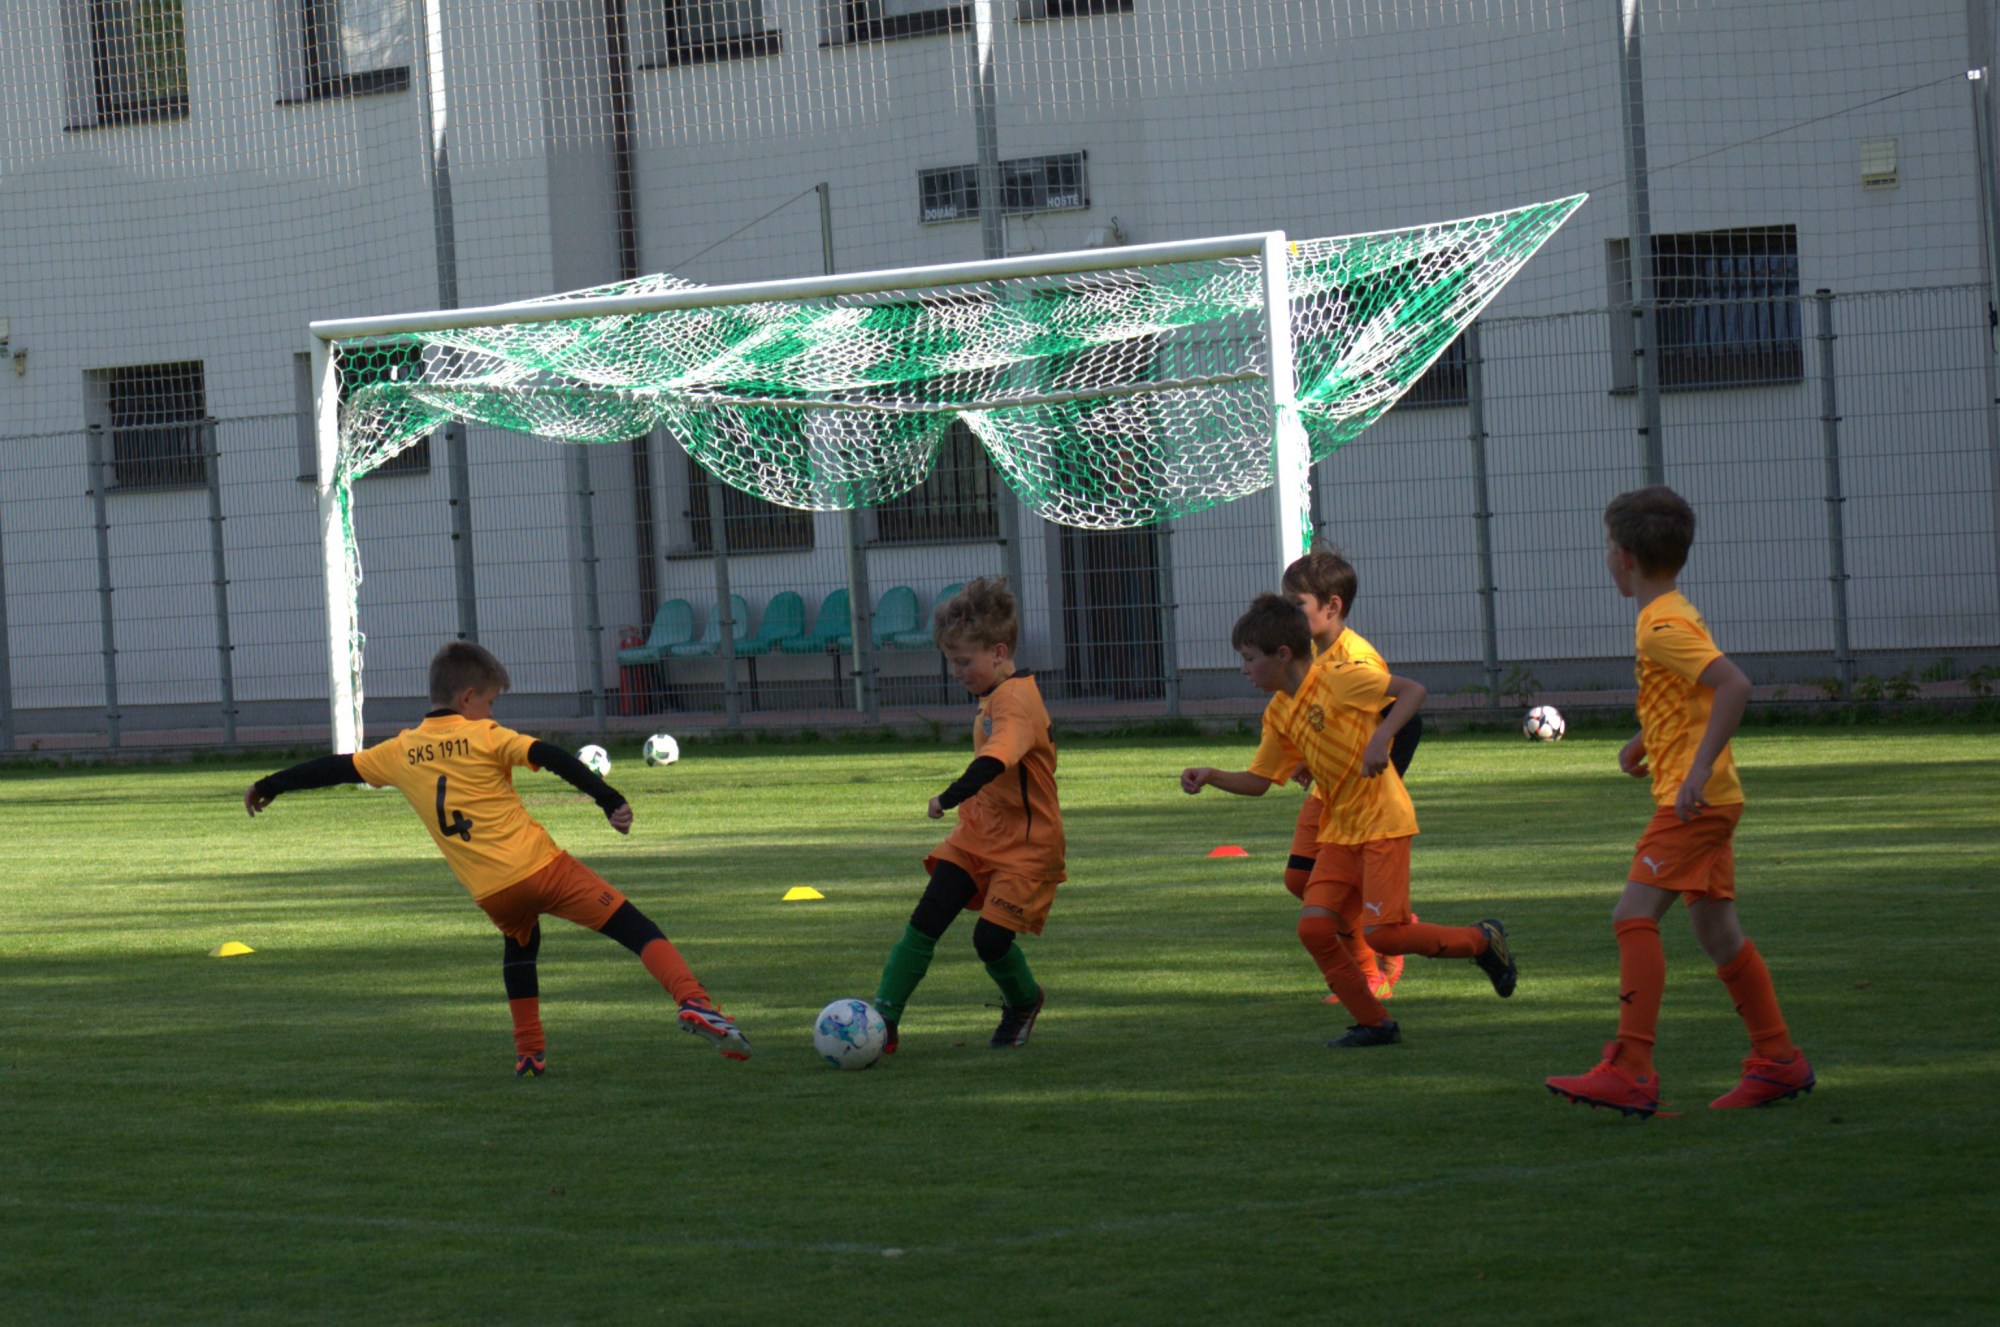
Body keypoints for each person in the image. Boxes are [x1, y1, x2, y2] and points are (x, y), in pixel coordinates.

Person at [243, 640, 750, 1076]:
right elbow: (549, 755)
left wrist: (271, 784)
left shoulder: (400, 750)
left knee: (520, 943)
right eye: (489, 702)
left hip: (491, 893)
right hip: (542, 869)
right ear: (467, 699)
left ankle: (529, 1053)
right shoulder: (484, 734)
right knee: (634, 927)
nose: (492, 712)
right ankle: (695, 1002)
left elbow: (335, 768)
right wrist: (608, 799)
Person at [1546, 487, 1813, 1117]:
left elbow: (1732, 685)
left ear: (1625, 557)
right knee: (1717, 932)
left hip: (1694, 803)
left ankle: (1631, 1068)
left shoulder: (1661, 625)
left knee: (1631, 915)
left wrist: (1695, 768)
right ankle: (1777, 1058)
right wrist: (1646, 740)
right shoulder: (1672, 612)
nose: (1607, 558)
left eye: (1608, 546)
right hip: (1708, 797)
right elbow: (1689, 694)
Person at [1182, 594, 1516, 1047]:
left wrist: (1381, 738)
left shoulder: (1339, 678)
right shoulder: (1279, 711)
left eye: (1248, 658)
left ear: (1282, 655)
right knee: (1314, 927)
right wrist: (1212, 775)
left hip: (1382, 821)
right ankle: (1374, 1023)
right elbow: (1260, 781)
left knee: (1385, 936)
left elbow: (1413, 692)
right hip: (1339, 830)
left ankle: (1481, 940)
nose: (1243, 669)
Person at [870, 578, 1063, 1053]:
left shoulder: (1016, 700)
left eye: (963, 662)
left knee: (990, 941)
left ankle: (1024, 1000)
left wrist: (949, 796)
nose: (956, 672)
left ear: (998, 653)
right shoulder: (995, 695)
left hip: (1026, 844)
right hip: (978, 833)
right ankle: (883, 1020)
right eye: (951, 661)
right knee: (926, 918)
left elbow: (996, 760)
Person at [1278, 550, 1422, 1005]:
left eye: (1296, 605)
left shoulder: (1358, 659)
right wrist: (1313, 756)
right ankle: (1390, 924)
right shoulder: (1312, 653)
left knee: (1334, 889)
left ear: (1332, 606)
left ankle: (1372, 968)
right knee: (1299, 880)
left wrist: (1377, 753)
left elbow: (1404, 718)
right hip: (1330, 786)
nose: (1288, 615)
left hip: (1359, 794)